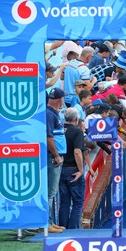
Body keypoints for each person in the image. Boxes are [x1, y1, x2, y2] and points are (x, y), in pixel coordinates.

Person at [59, 108, 86, 229]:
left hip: (60, 168)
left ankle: (63, 227)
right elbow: (77, 151)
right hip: (73, 169)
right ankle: (73, 230)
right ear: (76, 119)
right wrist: (80, 170)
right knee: (78, 202)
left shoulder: (58, 130)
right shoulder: (77, 132)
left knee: (64, 202)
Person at [46, 87, 67, 233]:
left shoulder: (53, 113)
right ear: (60, 100)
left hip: (55, 156)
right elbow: (48, 137)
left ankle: (49, 222)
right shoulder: (49, 114)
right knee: (50, 192)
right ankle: (46, 223)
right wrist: (56, 155)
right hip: (52, 157)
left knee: (52, 192)